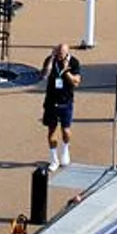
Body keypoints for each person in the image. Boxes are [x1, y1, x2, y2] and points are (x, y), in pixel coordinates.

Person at [41, 41, 84, 169]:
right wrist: (51, 60)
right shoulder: (51, 60)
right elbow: (44, 75)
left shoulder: (74, 62)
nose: (59, 56)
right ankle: (53, 159)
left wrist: (66, 72)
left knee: (65, 130)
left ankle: (65, 149)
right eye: (57, 53)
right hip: (51, 101)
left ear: (67, 53)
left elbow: (76, 82)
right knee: (51, 130)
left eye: (61, 54)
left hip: (66, 101)